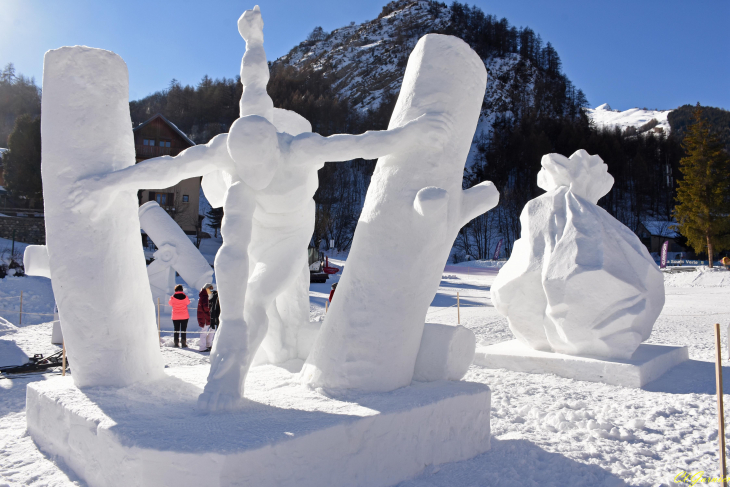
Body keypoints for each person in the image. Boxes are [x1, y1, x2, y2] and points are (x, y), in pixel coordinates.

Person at [198, 284, 214, 351]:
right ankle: (203, 347)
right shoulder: (205, 296)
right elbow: (206, 307)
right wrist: (212, 308)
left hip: (206, 316)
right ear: (207, 288)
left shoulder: (205, 295)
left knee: (211, 330)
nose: (211, 290)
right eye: (210, 288)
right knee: (204, 331)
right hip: (205, 316)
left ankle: (207, 344)